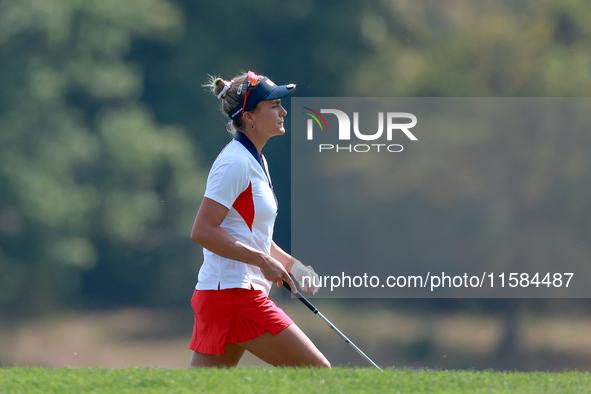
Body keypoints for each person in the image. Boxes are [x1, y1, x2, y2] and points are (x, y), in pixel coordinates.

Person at [189, 71, 330, 368]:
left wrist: (293, 266)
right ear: (250, 116)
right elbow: (202, 230)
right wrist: (262, 261)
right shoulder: (234, 162)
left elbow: (254, 235)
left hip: (225, 294)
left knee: (204, 389)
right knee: (317, 372)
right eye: (274, 105)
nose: (283, 111)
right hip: (233, 294)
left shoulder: (255, 160)